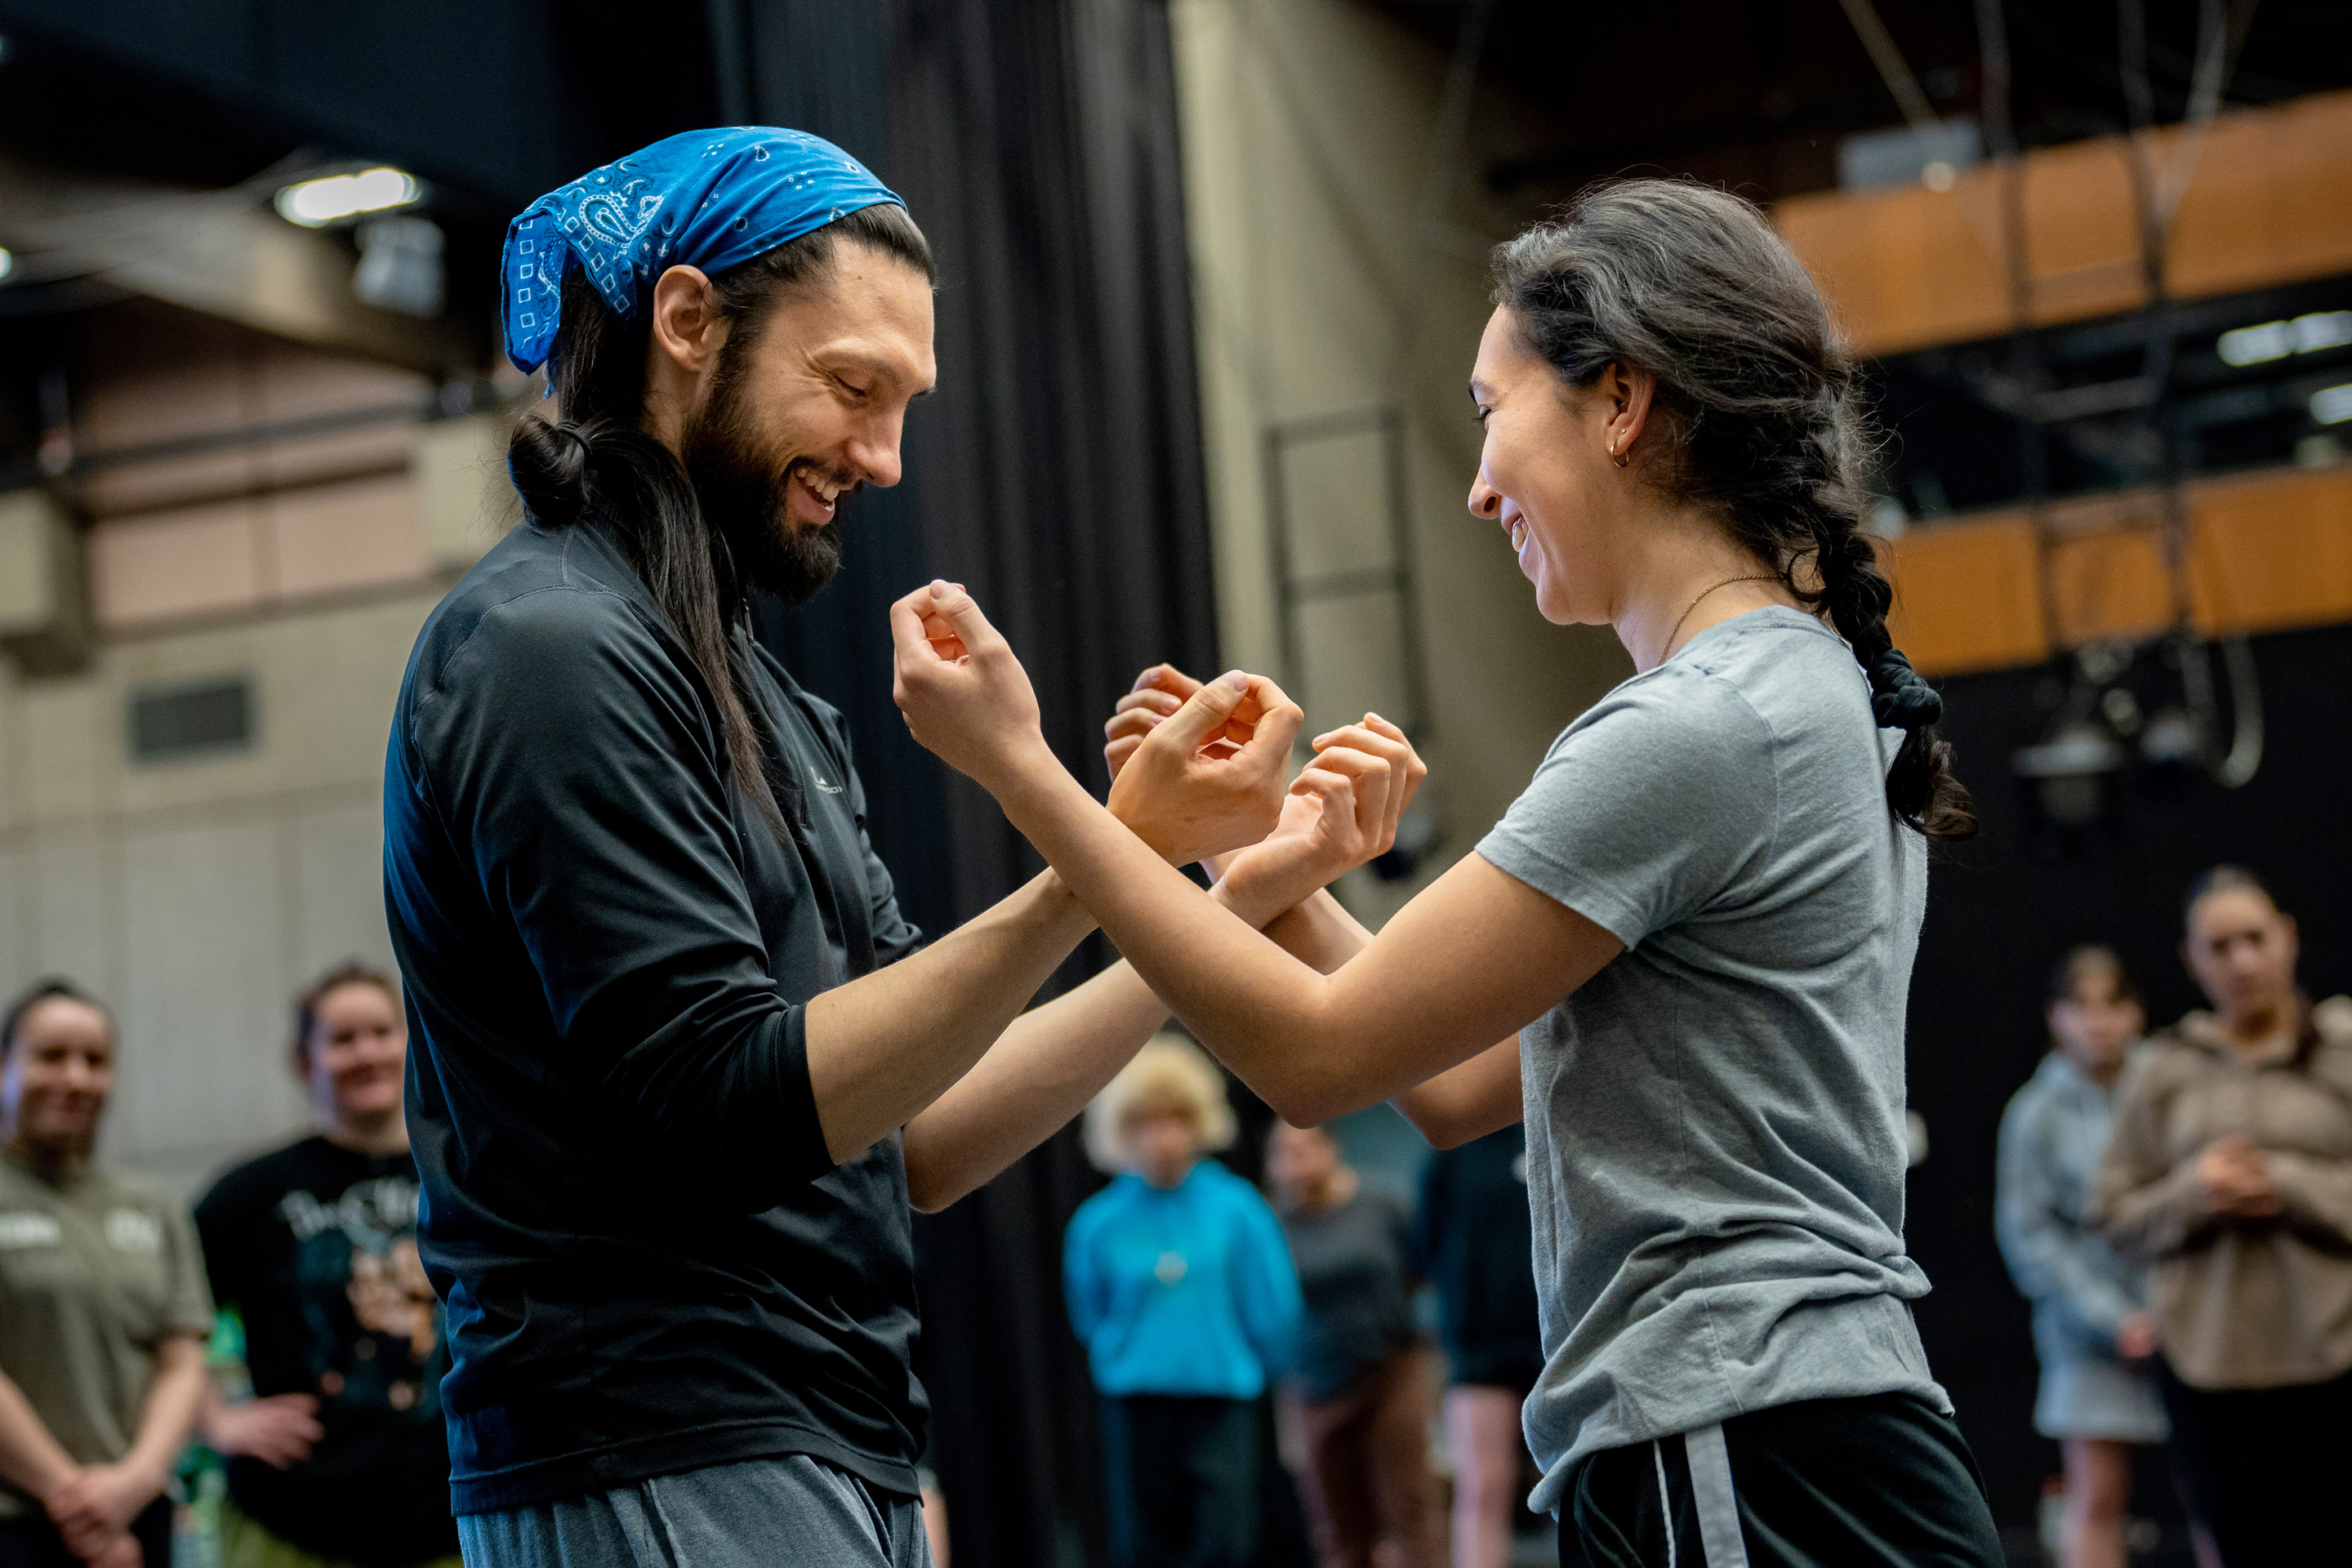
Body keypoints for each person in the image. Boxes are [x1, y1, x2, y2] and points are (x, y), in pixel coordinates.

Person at [889, 176, 2010, 1567]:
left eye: (1491, 409)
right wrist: (1277, 870)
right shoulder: (1792, 693)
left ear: (1621, 400)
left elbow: (1316, 1062)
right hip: (1781, 1436)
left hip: (1742, 1434)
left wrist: (1024, 774)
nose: (1478, 486)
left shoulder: (1698, 725)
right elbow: (1454, 1084)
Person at [385, 127, 1417, 1568]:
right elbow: (725, 1099)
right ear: (686, 323)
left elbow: (915, 1133)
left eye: (904, 404)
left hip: (829, 1437)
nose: (879, 456)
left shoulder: (760, 694)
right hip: (660, 1441)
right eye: (853, 389)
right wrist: (1089, 845)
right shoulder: (550, 648)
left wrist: (1220, 899)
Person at [2093, 867, 2352, 1568]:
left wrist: (2290, 1183)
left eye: (2254, 939)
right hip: (2209, 1377)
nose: (2241, 961)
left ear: (2287, 939)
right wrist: (2194, 1195)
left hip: (2333, 1364)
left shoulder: (2342, 1046)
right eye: (2219, 946)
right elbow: (2113, 1216)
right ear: (2191, 960)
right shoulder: (2163, 1070)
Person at [192, 964, 459, 1568]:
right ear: (304, 1060)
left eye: (381, 1032)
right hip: (292, 1525)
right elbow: (161, 1325)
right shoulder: (253, 1193)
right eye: (342, 1039)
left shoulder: (463, 1174)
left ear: (409, 1040)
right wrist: (215, 1420)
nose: (366, 1052)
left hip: (451, 1520)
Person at [1063, 1038, 1298, 1568]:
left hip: (1222, 1406)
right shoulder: (1097, 1223)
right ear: (1121, 1131)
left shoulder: (1238, 1209)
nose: (1163, 1137)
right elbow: (1090, 1313)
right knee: (1144, 1548)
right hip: (1137, 1408)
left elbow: (1274, 1312)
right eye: (1145, 1121)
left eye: (1176, 1118)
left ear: (1201, 1121)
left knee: (1225, 1546)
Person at [0, 980, 212, 1568]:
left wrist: (134, 1483)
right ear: (4, 1067)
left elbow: (181, 1361)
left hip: (139, 1511)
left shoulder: (152, 1205)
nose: (75, 1078)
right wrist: (80, 1509)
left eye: (95, 1061)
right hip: (19, 1522)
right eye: (50, 1056)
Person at [1994, 947, 2166, 1568]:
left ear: (2137, 1012)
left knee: (2221, 1490)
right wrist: (2113, 1320)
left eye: (2112, 1005)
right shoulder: (2033, 1113)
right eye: (2080, 1006)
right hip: (2087, 1337)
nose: (2098, 1022)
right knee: (2097, 1495)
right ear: (2055, 1017)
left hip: (2186, 1322)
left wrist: (2171, 1310)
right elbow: (2031, 1238)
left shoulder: (2169, 1088)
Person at [1265, 1123, 1440, 1568]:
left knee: (1409, 1504)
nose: (1297, 1162)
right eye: (1285, 1152)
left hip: (1391, 1368)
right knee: (1337, 1522)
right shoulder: (1271, 1225)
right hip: (1313, 1380)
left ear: (1332, 1148)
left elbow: (1421, 1269)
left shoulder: (1380, 1205)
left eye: (1306, 1148)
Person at [1414, 1125, 1542, 1568]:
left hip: (1565, 1342)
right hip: (1480, 1347)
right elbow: (1429, 1247)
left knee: (1587, 1485)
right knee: (1482, 1487)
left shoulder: (1554, 1123)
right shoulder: (1453, 1148)